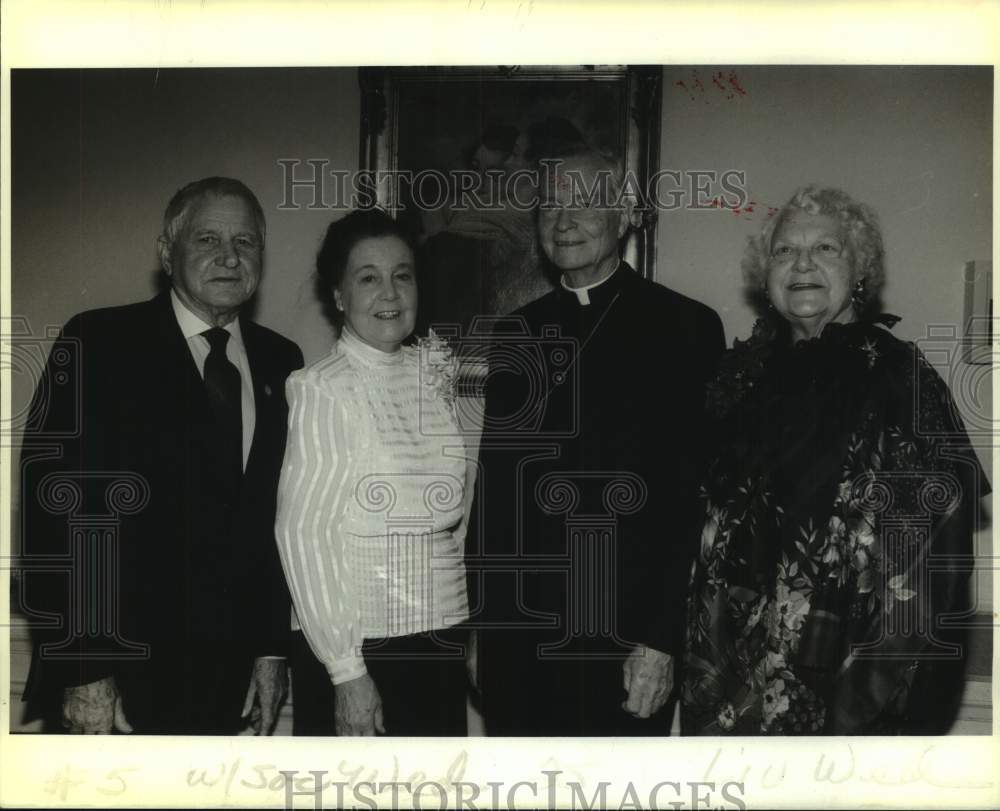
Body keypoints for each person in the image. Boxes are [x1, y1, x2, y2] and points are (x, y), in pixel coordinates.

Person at [682, 186, 988, 735]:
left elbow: (946, 554)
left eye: (826, 248)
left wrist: (921, 700)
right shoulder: (739, 376)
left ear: (860, 271)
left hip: (854, 679)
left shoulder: (903, 379)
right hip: (733, 677)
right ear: (765, 274)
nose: (801, 264)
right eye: (783, 251)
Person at [20, 177, 303, 734]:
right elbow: (52, 513)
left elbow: (277, 518)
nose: (229, 256)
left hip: (228, 683)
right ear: (165, 251)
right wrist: (83, 667)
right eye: (207, 240)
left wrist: (271, 649)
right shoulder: (98, 342)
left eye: (246, 242)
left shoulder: (281, 361)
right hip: (116, 676)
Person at [474, 146, 726, 735]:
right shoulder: (519, 332)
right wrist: (482, 631)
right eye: (550, 206)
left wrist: (661, 640)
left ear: (626, 215)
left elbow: (693, 498)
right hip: (522, 639)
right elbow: (495, 496)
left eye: (585, 204)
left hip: (628, 641)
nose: (563, 222)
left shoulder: (686, 327)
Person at [275, 208, 471, 736]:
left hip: (441, 637)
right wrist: (347, 671)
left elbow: (453, 515)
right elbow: (302, 535)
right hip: (362, 649)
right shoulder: (322, 387)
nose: (389, 293)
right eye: (368, 278)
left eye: (402, 275)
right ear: (338, 295)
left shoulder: (430, 372)